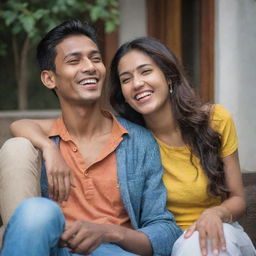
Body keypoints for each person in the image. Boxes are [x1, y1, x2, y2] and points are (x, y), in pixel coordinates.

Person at [0, 21, 182, 256]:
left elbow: (166, 230)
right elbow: (19, 127)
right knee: (37, 211)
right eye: (74, 61)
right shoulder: (44, 141)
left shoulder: (139, 142)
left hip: (113, 251)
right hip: (57, 249)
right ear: (49, 79)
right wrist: (49, 149)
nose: (90, 67)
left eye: (95, 59)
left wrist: (110, 232)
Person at [108, 37, 256, 256]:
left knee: (203, 246)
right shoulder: (127, 138)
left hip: (218, 233)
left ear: (169, 77)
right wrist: (47, 146)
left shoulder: (215, 120)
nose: (137, 83)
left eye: (146, 71)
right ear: (123, 94)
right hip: (162, 242)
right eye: (126, 79)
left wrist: (216, 213)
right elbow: (45, 127)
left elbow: (238, 198)